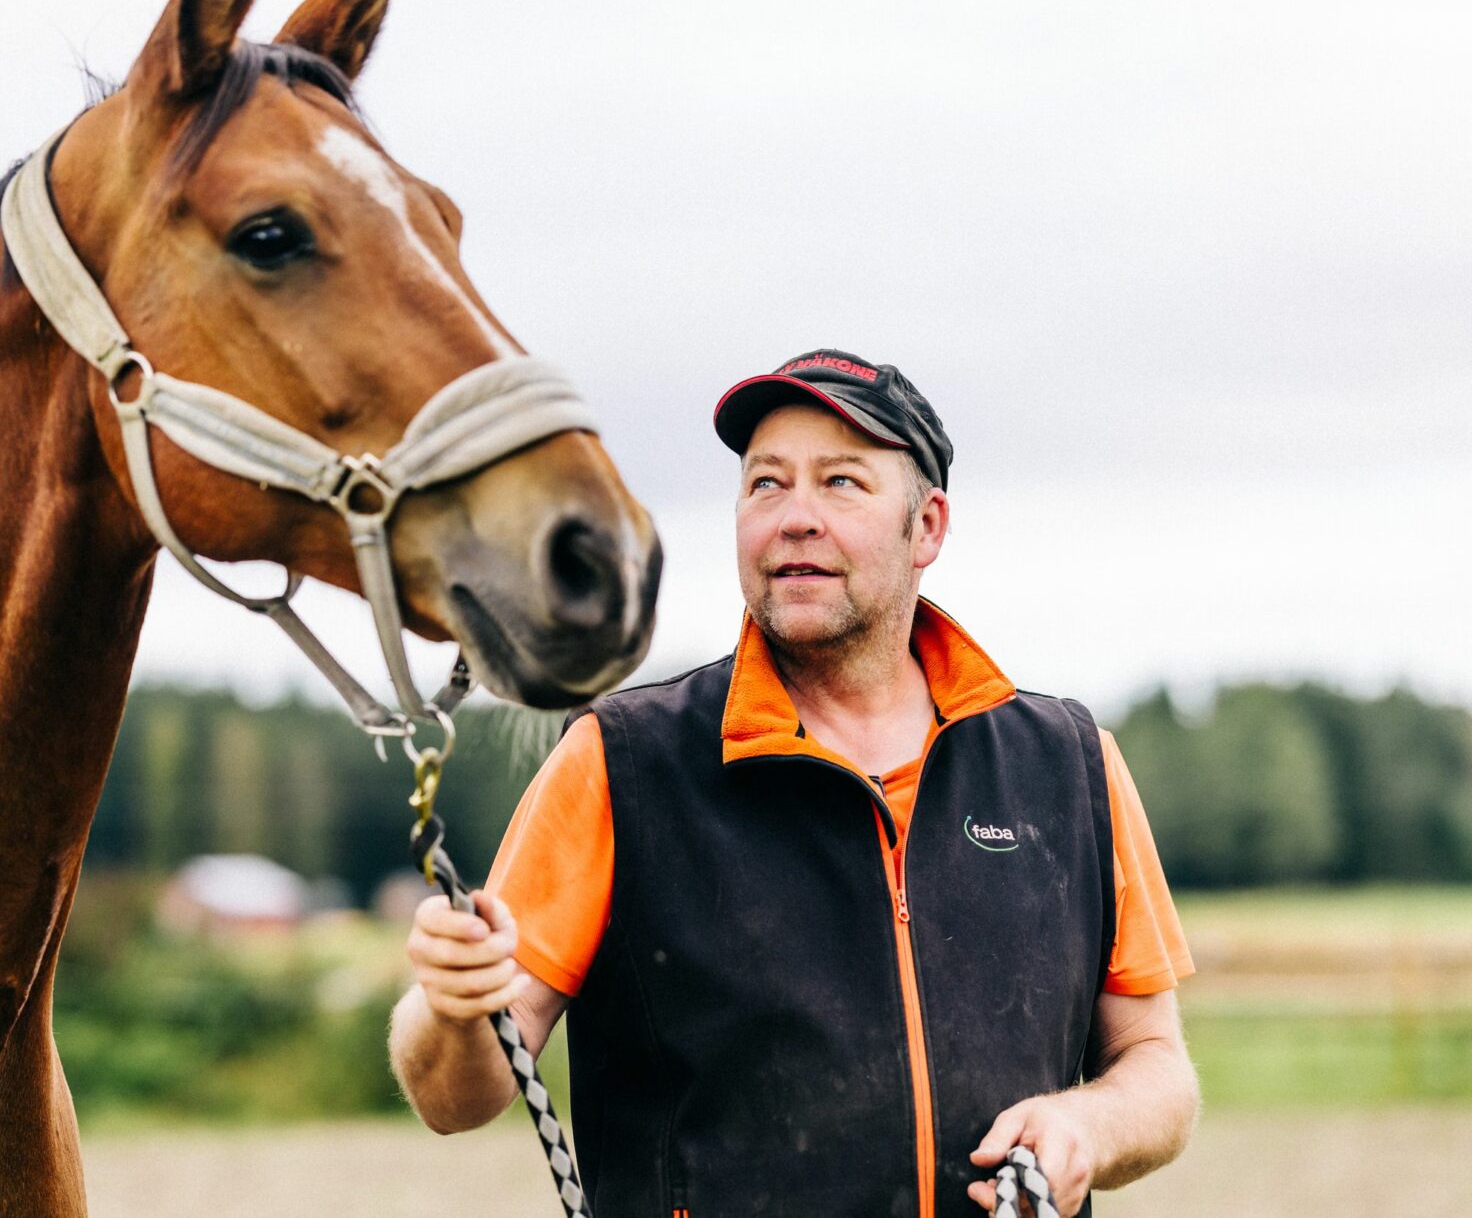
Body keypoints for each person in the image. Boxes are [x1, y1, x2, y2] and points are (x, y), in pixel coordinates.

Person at [389, 349, 1200, 1217]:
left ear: (926, 526)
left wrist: (1088, 1126)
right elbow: (455, 1097)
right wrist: (449, 1009)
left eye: (842, 482)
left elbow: (1156, 1066)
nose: (795, 518)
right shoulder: (618, 761)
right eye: (766, 484)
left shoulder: (1069, 766)